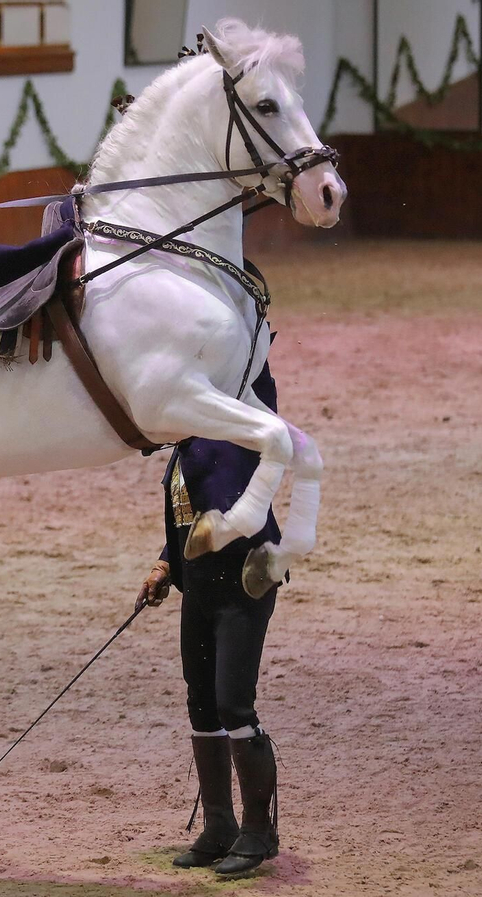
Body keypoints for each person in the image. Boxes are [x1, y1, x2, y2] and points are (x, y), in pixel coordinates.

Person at [137, 358, 286, 877]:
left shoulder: (246, 420)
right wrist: (164, 562)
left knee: (232, 703)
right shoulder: (187, 442)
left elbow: (255, 372)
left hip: (244, 584)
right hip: (198, 588)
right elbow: (186, 512)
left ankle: (259, 830)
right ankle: (219, 825)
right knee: (201, 703)